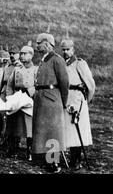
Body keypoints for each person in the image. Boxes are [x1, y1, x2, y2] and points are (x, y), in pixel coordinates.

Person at [33, 33, 69, 173]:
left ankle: (53, 162)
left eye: (39, 43)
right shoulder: (44, 60)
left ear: (47, 43)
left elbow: (64, 83)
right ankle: (46, 160)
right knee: (44, 132)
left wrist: (63, 102)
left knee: (53, 133)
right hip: (42, 99)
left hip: (52, 100)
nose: (37, 46)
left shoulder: (56, 60)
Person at [61, 39, 96, 171]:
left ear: (73, 50)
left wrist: (86, 100)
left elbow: (90, 85)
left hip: (77, 100)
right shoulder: (62, 64)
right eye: (63, 50)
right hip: (66, 99)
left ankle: (76, 160)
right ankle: (72, 159)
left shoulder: (79, 63)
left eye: (68, 49)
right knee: (69, 131)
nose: (65, 52)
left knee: (77, 130)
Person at [5, 45, 37, 160]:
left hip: (28, 99)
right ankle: (12, 148)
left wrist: (30, 92)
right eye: (21, 54)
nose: (22, 56)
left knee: (29, 127)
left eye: (25, 54)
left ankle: (29, 151)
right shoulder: (17, 69)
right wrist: (9, 98)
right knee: (13, 124)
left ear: (31, 55)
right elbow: (10, 84)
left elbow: (37, 85)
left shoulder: (35, 70)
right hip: (17, 97)